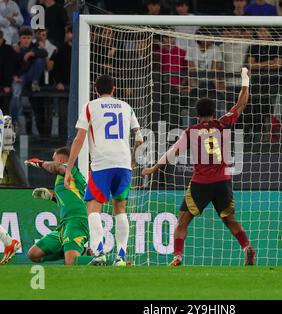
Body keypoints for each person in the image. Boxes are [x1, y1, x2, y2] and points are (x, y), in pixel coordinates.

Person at [142, 68, 255, 266]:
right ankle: (246, 247)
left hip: (200, 183)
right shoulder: (223, 124)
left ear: (197, 115)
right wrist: (245, 78)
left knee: (182, 222)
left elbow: (172, 153)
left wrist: (153, 169)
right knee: (230, 220)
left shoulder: (191, 131)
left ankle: (177, 255)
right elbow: (241, 103)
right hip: (223, 182)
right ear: (214, 113)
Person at [64, 75, 144, 266]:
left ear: (95, 89)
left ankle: (99, 253)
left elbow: (79, 139)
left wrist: (69, 169)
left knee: (93, 207)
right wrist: (133, 160)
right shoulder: (126, 107)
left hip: (102, 164)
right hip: (123, 164)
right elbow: (140, 139)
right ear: (114, 89)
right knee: (120, 208)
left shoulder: (90, 106)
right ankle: (121, 257)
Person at [24, 147, 92, 265]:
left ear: (60, 159)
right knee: (33, 254)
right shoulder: (65, 179)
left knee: (70, 262)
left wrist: (40, 163)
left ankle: (107, 261)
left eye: (53, 158)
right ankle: (78, 252)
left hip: (76, 221)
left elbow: (55, 167)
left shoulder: (69, 171)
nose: (52, 161)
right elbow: (71, 199)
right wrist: (52, 197)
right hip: (64, 226)